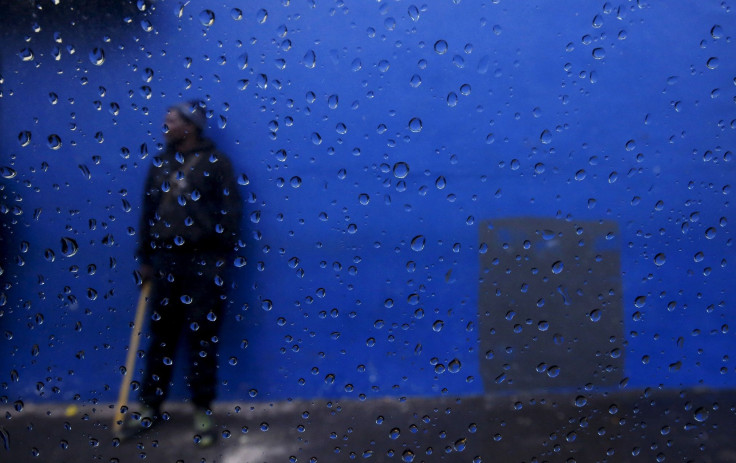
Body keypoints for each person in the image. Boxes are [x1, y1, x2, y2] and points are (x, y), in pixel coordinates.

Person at [121, 100, 242, 446]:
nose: (166, 123)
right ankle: (150, 407)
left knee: (203, 338)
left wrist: (217, 253)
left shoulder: (217, 164)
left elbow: (232, 211)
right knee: (161, 335)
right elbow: (148, 211)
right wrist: (146, 257)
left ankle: (202, 411)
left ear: (190, 125)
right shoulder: (159, 164)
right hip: (165, 262)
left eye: (172, 119)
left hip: (204, 264)